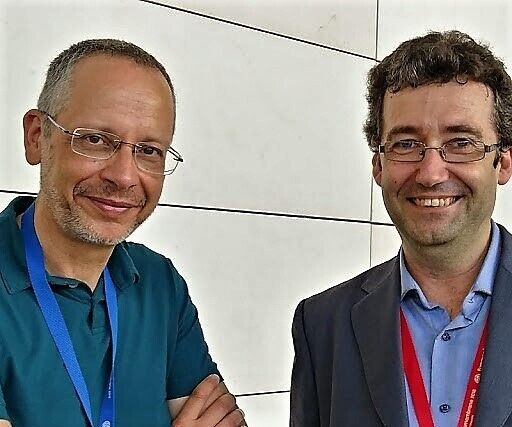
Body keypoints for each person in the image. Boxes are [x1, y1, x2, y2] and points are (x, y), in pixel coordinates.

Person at [0, 39, 246, 427]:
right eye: (96, 140)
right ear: (37, 137)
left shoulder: (159, 284)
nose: (124, 176)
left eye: (149, 150)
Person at [290, 30, 512, 426]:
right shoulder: (323, 325)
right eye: (406, 144)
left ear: (504, 162)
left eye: (460, 142)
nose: (430, 173)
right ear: (378, 166)